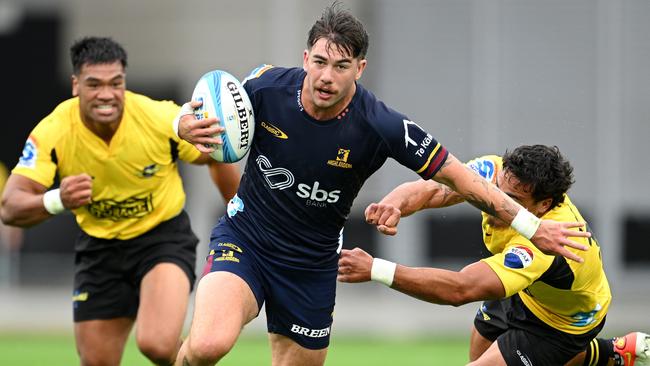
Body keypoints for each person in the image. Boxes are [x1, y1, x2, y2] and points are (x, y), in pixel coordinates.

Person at [173, 4, 591, 366]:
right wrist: (184, 125)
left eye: (340, 66)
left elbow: (462, 180)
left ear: (360, 68)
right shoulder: (263, 88)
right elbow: (197, 116)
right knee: (208, 344)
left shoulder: (381, 124)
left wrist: (534, 229)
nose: (326, 77)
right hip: (247, 239)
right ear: (305, 58)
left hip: (311, 263)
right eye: (319, 61)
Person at [0, 37, 240, 366]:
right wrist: (57, 199)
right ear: (75, 86)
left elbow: (214, 155)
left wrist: (239, 214)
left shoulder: (156, 118)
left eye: (116, 83)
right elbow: (9, 207)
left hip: (161, 239)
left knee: (156, 344)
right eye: (94, 84)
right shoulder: (54, 130)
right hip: (99, 249)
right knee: (97, 361)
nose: (107, 94)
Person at [338, 144, 650, 366]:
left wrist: (376, 269)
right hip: (523, 290)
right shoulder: (495, 172)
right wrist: (395, 203)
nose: (496, 203)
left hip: (561, 323)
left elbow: (462, 289)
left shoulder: (549, 240)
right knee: (476, 355)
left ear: (544, 204)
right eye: (497, 191)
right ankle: (613, 354)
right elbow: (436, 188)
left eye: (512, 200)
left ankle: (605, 354)